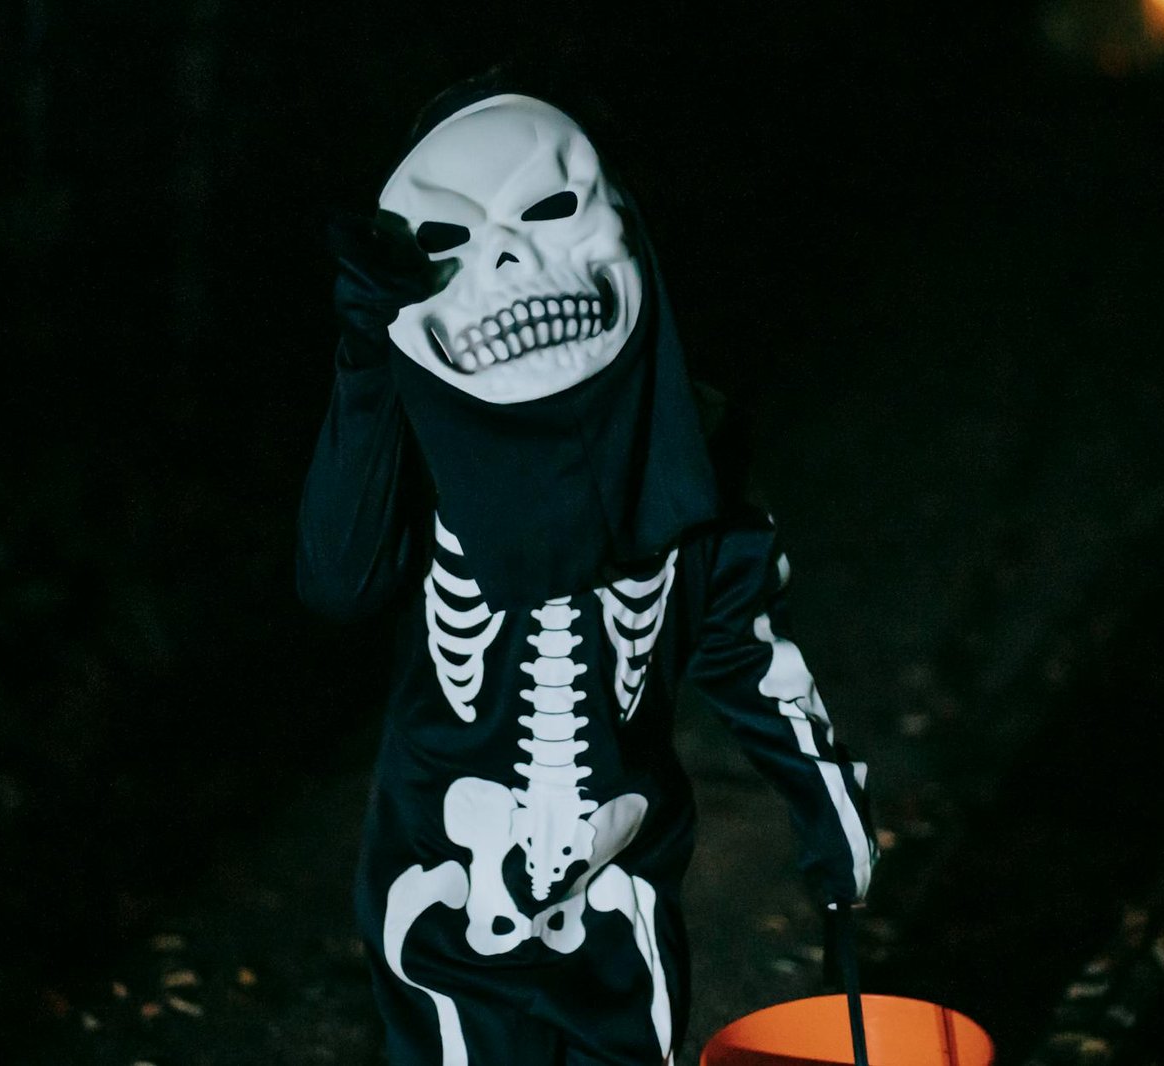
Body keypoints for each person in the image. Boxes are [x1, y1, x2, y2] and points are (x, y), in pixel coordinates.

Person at [296, 76, 877, 1066]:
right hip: (445, 894)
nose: (509, 257)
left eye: (546, 210)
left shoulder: (684, 469)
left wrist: (829, 809)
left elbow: (747, 652)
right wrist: (365, 367)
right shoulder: (426, 460)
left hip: (622, 894)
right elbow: (335, 580)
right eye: (454, 239)